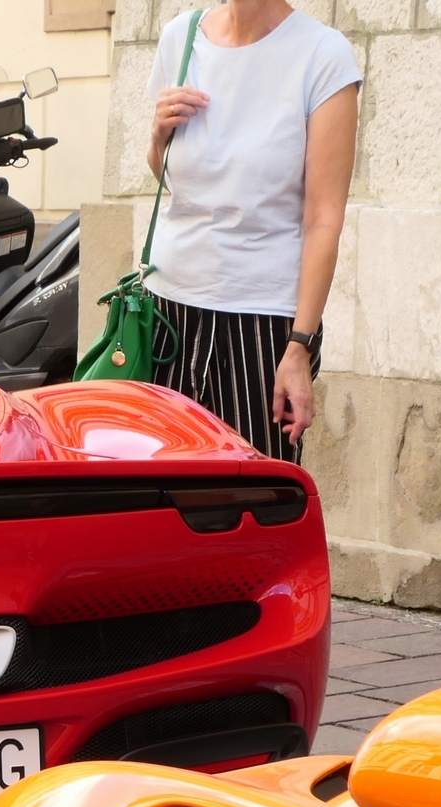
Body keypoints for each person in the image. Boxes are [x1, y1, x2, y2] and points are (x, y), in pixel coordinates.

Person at [146, 0, 359, 463]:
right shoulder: (181, 39)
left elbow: (324, 218)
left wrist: (299, 348)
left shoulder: (322, 55)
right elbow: (170, 178)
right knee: (160, 497)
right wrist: (158, 137)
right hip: (167, 314)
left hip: (261, 322)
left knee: (254, 495)